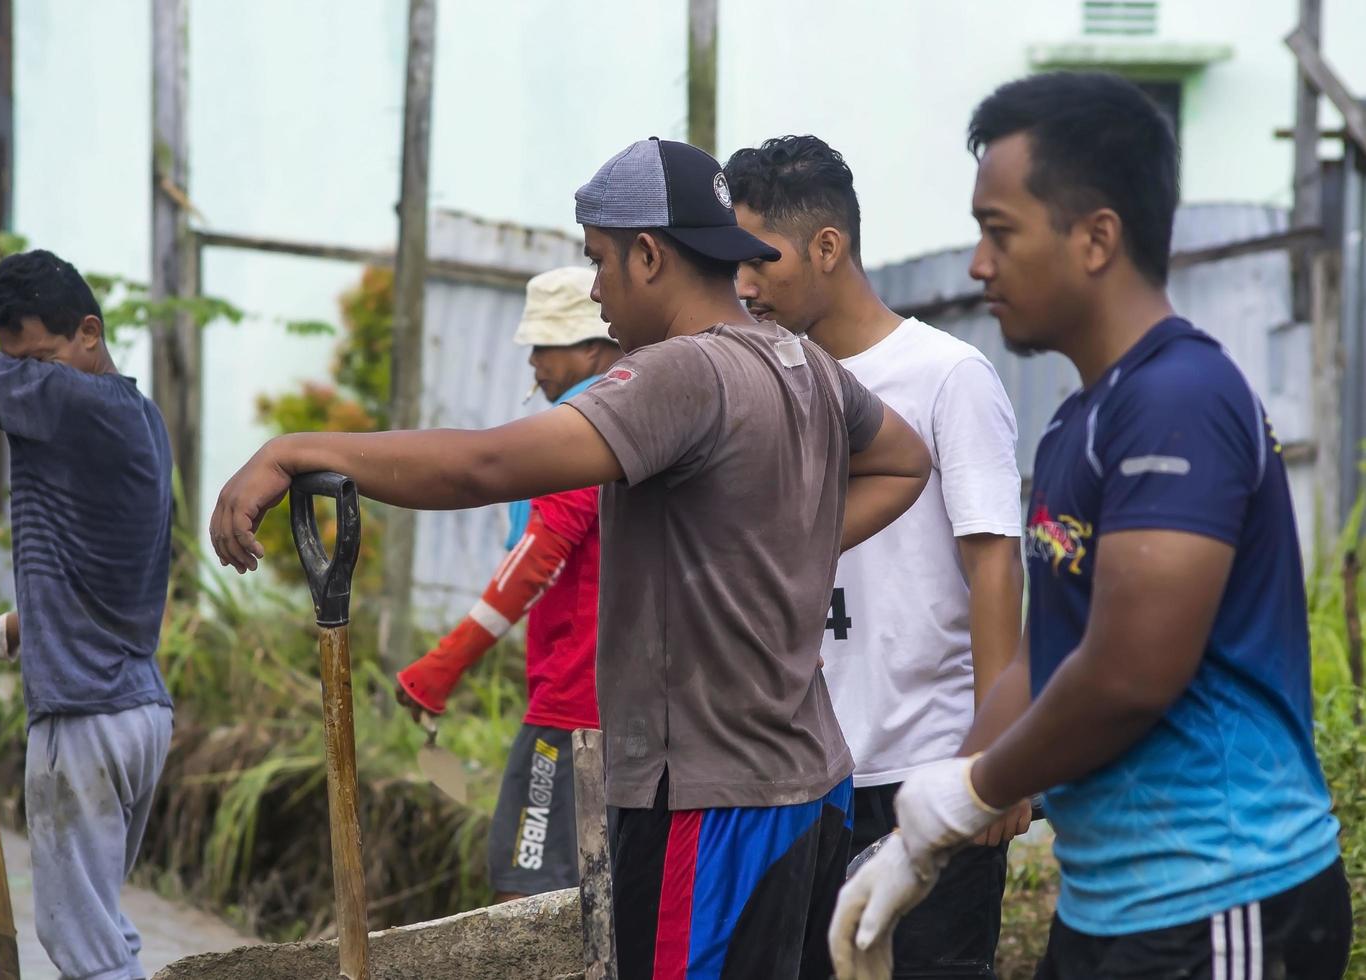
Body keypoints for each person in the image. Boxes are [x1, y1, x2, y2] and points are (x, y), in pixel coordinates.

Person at [208, 137, 932, 979]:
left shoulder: (680, 374)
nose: (595, 289)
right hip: (813, 786)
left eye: (599, 261)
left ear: (650, 255)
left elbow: (486, 464)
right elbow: (904, 460)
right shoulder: (803, 363)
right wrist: (785, 544)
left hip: (708, 802)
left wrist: (296, 447)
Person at [830, 71, 1351, 980]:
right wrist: (924, 825)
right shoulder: (1081, 421)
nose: (978, 265)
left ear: (1097, 237)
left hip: (1223, 899)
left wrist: (973, 790)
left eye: (999, 232)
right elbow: (1046, 654)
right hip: (1113, 903)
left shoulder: (1179, 399)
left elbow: (1129, 670)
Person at [725, 134, 1025, 980]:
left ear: (829, 247)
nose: (745, 284)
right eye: (734, 263)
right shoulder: (766, 381)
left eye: (762, 259)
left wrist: (989, 761)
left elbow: (996, 563)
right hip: (797, 779)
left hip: (925, 770)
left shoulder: (944, 376)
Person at [0, 250, 174, 980]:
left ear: (90, 332)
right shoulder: (141, 420)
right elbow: (101, 579)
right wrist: (1, 631)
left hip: (85, 721)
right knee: (105, 936)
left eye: (43, 358)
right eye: (19, 362)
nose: (31, 377)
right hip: (138, 713)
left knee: (85, 953)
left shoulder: (67, 400)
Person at [394, 265, 620, 901]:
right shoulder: (628, 415)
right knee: (585, 893)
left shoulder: (585, 430)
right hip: (606, 700)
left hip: (575, 704)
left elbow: (536, 556)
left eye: (545, 346)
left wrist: (442, 665)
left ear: (592, 348)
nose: (534, 363)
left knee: (529, 888)